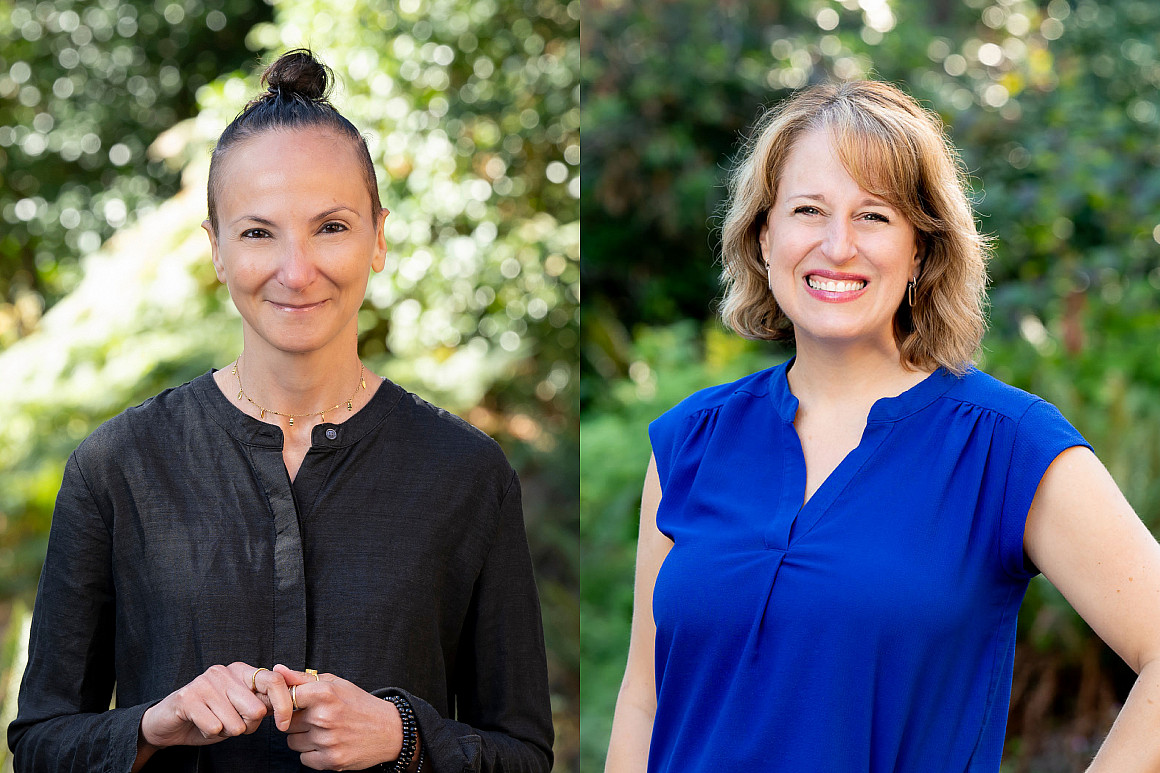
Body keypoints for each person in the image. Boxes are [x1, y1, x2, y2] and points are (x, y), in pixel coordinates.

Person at [8, 49, 554, 773]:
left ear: (380, 237)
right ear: (217, 250)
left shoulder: (467, 473)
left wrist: (405, 736)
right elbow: (40, 744)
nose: (297, 270)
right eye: (259, 232)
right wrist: (153, 724)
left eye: (331, 226)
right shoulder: (116, 468)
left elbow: (524, 753)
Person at [604, 80, 1160, 772]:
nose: (838, 246)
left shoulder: (1005, 445)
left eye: (874, 216)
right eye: (809, 209)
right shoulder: (691, 440)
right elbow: (644, 699)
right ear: (765, 233)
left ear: (921, 250)